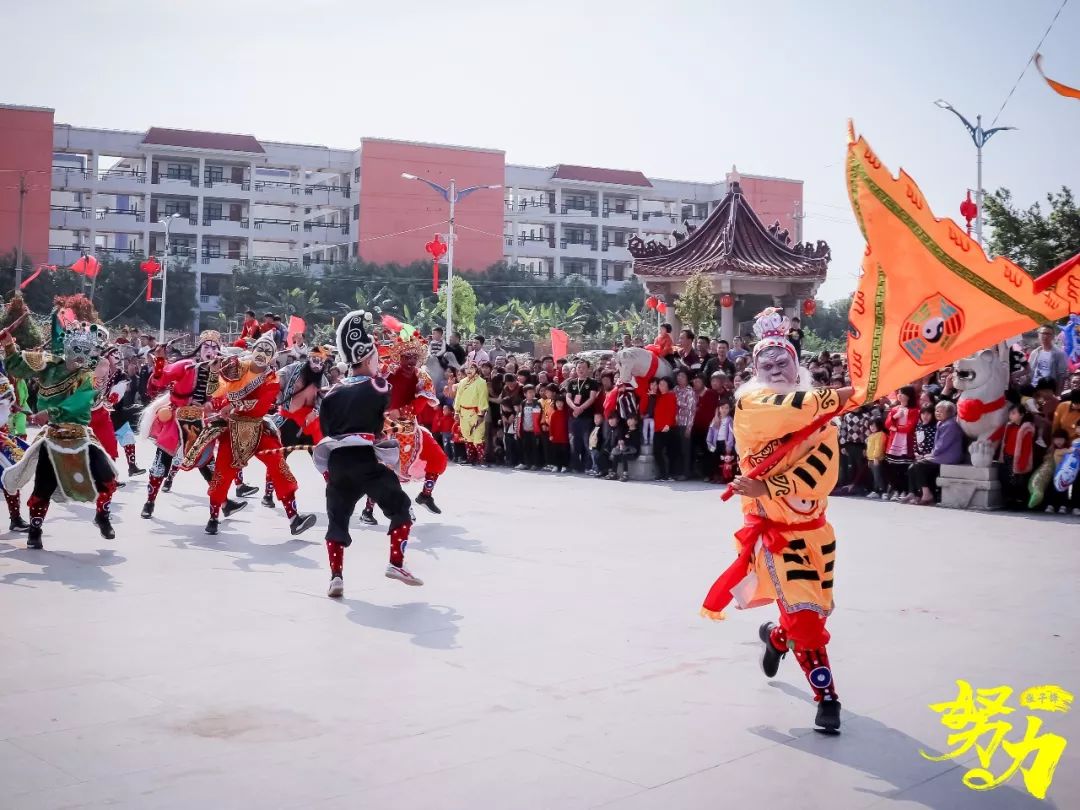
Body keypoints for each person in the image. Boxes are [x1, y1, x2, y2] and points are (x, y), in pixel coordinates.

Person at [702, 307, 851, 733]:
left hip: (817, 533)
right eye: (765, 365)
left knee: (809, 617)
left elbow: (824, 474)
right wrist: (847, 394)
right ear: (753, 371)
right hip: (776, 538)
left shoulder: (821, 420)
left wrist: (771, 486)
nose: (775, 370)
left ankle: (776, 638)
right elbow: (790, 408)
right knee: (805, 618)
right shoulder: (752, 403)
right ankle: (828, 699)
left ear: (796, 364)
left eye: (783, 362)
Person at [315, 309, 423, 597]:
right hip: (365, 460)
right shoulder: (377, 387)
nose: (378, 361)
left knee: (337, 519)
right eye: (375, 356)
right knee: (401, 507)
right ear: (365, 358)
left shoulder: (333, 392)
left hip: (337, 463)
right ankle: (396, 563)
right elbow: (393, 409)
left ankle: (335, 577)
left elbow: (325, 429)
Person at [0, 313, 118, 547]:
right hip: (52, 434)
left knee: (108, 475)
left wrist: (50, 412)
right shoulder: (48, 363)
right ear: (67, 348)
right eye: (77, 350)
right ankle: (35, 531)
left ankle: (102, 515)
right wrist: (8, 343)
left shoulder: (87, 376)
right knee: (44, 484)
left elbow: (82, 401)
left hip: (80, 434)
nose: (81, 357)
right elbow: (16, 367)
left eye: (86, 353)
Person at [181, 335, 317, 536]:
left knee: (278, 463)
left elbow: (259, 404)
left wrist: (232, 404)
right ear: (253, 350)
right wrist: (213, 372)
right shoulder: (237, 366)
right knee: (222, 472)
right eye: (260, 348)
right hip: (232, 427)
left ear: (272, 357)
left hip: (257, 428)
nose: (262, 354)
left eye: (268, 351)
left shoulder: (272, 379)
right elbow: (214, 391)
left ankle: (293, 517)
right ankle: (213, 517)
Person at [139, 331, 249, 519]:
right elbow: (159, 380)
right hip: (176, 420)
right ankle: (149, 502)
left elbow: (217, 398)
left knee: (208, 465)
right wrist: (160, 360)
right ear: (200, 349)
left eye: (215, 348)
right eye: (207, 347)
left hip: (200, 423)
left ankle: (224, 503)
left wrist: (210, 405)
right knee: (160, 464)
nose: (211, 351)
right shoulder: (186, 366)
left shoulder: (218, 373)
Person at [261, 345, 330, 508]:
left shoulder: (322, 379)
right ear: (309, 358)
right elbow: (275, 380)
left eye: (321, 362)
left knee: (323, 456)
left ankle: (333, 490)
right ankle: (268, 493)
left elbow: (324, 399)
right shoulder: (292, 369)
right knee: (278, 457)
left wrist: (315, 411)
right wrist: (278, 394)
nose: (317, 364)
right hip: (288, 420)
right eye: (314, 360)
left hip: (310, 422)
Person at [906, 401, 962, 505]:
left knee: (919, 465)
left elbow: (942, 444)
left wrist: (932, 454)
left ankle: (927, 494)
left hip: (949, 456)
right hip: (940, 455)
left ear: (949, 413)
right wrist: (932, 454)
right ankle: (913, 493)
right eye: (936, 411)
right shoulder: (941, 423)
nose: (937, 413)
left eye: (941, 411)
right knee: (912, 467)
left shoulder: (951, 425)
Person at [999, 403, 1036, 510]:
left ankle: (1018, 503)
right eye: (1010, 413)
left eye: (1014, 413)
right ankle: (1009, 501)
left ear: (1022, 414)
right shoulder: (1009, 426)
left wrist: (1022, 462)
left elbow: (1026, 448)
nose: (1011, 415)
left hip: (1018, 458)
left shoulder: (1026, 428)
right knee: (1007, 480)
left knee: (1018, 482)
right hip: (1007, 456)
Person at [566, 360, 600, 472]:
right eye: (578, 367)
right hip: (574, 417)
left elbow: (592, 398)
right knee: (574, 442)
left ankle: (588, 466)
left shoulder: (592, 382)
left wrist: (581, 408)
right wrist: (574, 408)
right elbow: (568, 397)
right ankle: (576, 466)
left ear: (588, 369)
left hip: (587, 417)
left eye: (583, 367)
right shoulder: (572, 383)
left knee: (587, 442)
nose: (580, 369)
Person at [884, 386, 917, 500]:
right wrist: (895, 417)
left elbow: (909, 427)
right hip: (894, 442)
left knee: (904, 468)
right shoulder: (894, 409)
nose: (899, 395)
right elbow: (888, 425)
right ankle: (896, 490)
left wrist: (896, 428)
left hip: (906, 443)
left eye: (902, 393)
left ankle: (904, 491)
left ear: (908, 396)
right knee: (892, 468)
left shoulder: (914, 410)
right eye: (898, 393)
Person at [454, 362, 489, 464]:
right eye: (467, 368)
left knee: (478, 436)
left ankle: (481, 459)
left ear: (476, 370)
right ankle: (470, 458)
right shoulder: (462, 382)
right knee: (466, 435)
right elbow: (458, 397)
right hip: (463, 412)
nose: (469, 370)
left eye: (472, 368)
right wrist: (456, 411)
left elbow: (483, 398)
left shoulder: (481, 382)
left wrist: (481, 414)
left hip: (475, 412)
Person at [1028, 324, 1069, 394]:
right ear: (1039, 335)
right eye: (1043, 333)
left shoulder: (1059, 354)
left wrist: (1058, 393)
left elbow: (1062, 375)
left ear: (1053, 336)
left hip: (1049, 390)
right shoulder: (1034, 353)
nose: (1045, 336)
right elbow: (1030, 371)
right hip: (1034, 388)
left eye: (1048, 334)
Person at [652, 377, 677, 481]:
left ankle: (669, 474)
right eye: (660, 384)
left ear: (668, 385)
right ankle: (663, 474)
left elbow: (672, 411)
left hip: (667, 428)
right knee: (657, 451)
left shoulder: (671, 396)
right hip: (657, 428)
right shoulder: (657, 397)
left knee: (670, 452)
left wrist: (668, 425)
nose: (660, 386)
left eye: (663, 384)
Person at [608, 414, 641, 481]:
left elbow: (635, 444)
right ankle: (614, 473)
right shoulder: (625, 430)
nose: (629, 421)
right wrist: (620, 442)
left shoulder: (637, 432)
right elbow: (621, 438)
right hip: (623, 450)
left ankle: (625, 474)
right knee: (616, 455)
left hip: (632, 452)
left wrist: (625, 445)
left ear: (636, 422)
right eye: (628, 419)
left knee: (624, 455)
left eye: (631, 420)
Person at [518, 384, 542, 470]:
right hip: (525, 429)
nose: (532, 394)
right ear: (525, 394)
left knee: (534, 448)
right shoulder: (523, 403)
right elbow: (521, 415)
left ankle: (535, 464)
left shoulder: (537, 403)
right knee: (525, 447)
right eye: (530, 392)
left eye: (533, 392)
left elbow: (539, 416)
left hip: (534, 430)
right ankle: (526, 463)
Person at [864, 418, 887, 498]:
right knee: (874, 476)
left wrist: (876, 457)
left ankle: (883, 492)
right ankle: (876, 491)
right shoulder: (871, 435)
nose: (872, 427)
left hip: (877, 459)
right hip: (870, 459)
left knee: (879, 475)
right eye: (870, 425)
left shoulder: (880, 434)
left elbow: (878, 447)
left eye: (874, 425)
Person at [547, 393, 570, 472]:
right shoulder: (554, 414)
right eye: (557, 402)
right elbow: (551, 426)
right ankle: (556, 465)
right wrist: (551, 435)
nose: (559, 404)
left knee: (564, 452)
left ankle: (564, 465)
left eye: (561, 402)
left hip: (564, 437)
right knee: (556, 452)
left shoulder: (567, 413)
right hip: (555, 437)